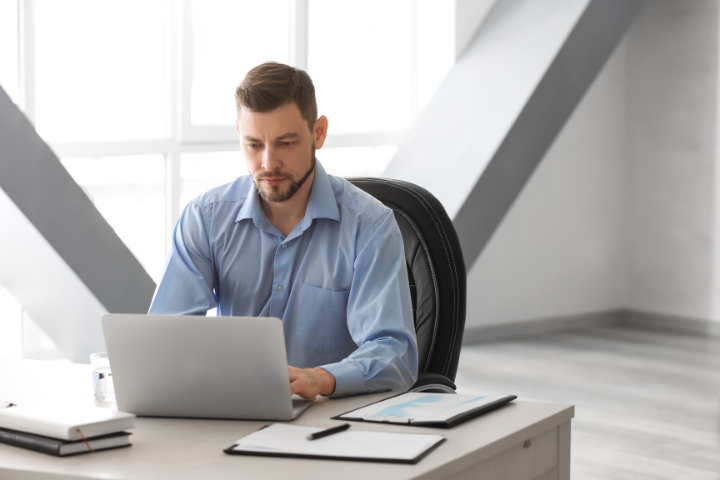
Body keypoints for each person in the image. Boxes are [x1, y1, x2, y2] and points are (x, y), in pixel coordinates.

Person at [149, 62, 418, 399]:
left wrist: (321, 380)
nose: (268, 163)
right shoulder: (204, 219)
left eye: (286, 143)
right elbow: (166, 338)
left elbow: (396, 353)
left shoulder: (370, 227)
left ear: (318, 133)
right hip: (234, 412)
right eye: (253, 145)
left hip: (328, 418)